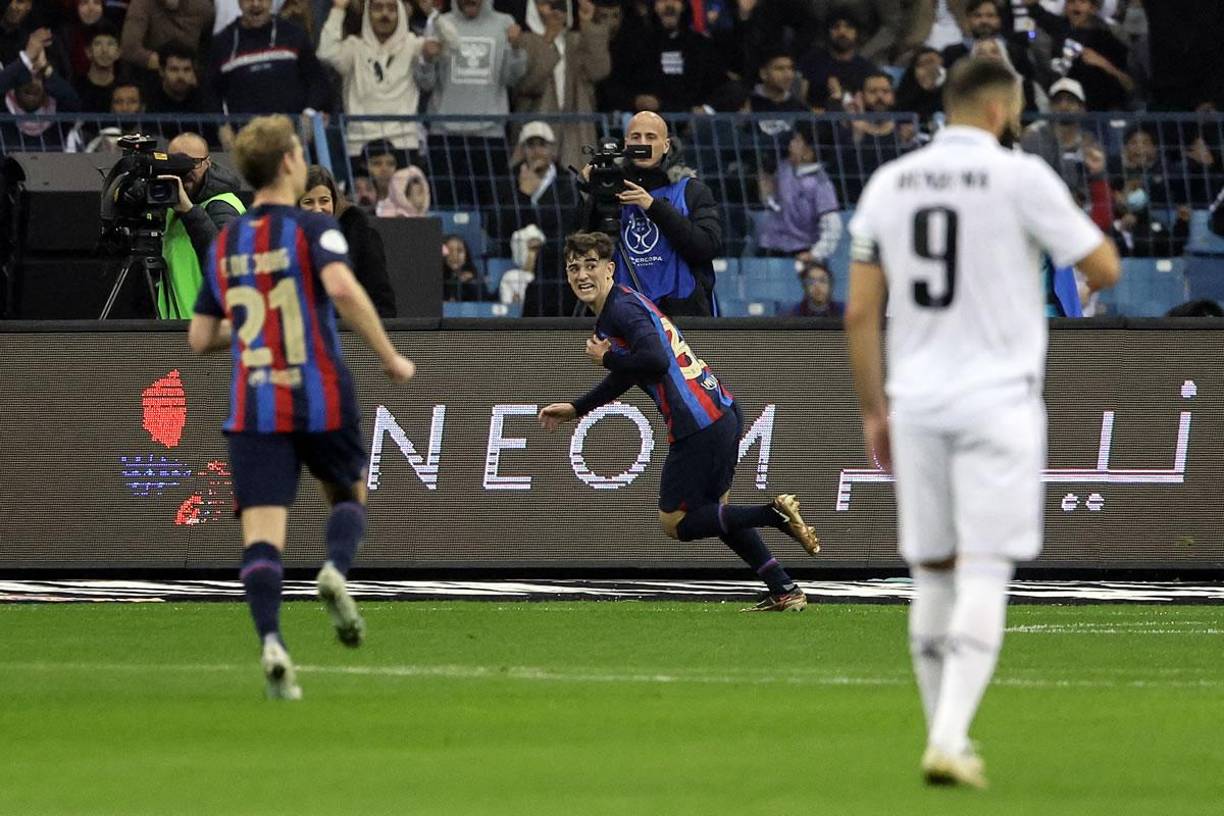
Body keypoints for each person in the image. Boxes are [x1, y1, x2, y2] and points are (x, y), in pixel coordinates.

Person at [844, 57, 1120, 788]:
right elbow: (1106, 266)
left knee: (931, 572)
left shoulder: (891, 184)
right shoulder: (1022, 177)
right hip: (998, 399)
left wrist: (876, 410)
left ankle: (943, 733)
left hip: (919, 400)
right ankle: (951, 733)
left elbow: (859, 312)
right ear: (1002, 112)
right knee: (986, 569)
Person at [187, 114, 416, 700]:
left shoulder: (227, 242)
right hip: (319, 392)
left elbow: (198, 339)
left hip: (254, 403)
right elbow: (341, 288)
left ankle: (272, 643)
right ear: (290, 162)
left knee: (262, 536)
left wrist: (248, 321)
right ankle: (336, 570)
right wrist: (390, 356)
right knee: (347, 494)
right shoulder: (315, 230)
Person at [539, 231, 820, 611]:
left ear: (610, 269)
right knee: (716, 515)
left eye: (591, 265)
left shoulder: (621, 311)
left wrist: (606, 358)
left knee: (676, 522)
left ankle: (773, 514)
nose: (582, 275)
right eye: (574, 268)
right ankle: (784, 588)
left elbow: (653, 360)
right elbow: (632, 373)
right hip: (720, 411)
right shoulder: (621, 306)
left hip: (696, 422)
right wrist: (578, 408)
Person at [579, 110, 722, 317]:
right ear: (626, 144)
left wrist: (653, 206)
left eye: (651, 137)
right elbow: (579, 248)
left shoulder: (691, 190)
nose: (642, 143)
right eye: (636, 137)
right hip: (624, 312)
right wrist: (588, 194)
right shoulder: (609, 189)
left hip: (682, 313)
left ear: (666, 145)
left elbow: (707, 246)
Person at [413, 0, 527, 207]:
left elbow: (513, 79)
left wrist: (517, 49)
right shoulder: (440, 23)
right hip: (444, 135)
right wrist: (426, 60)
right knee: (443, 208)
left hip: (489, 135)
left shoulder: (505, 23)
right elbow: (426, 84)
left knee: (492, 212)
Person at [318, 0, 426, 164]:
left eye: (391, 8)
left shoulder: (414, 45)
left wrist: (434, 15)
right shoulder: (354, 47)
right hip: (359, 143)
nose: (384, 14)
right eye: (377, 8)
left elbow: (450, 46)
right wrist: (338, 9)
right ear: (367, 13)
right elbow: (325, 53)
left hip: (404, 143)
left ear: (401, 13)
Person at [155, 131, 247, 318]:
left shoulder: (223, 204)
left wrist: (189, 211)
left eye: (193, 163)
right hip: (176, 330)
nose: (185, 171)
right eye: (176, 163)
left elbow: (225, 263)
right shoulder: (171, 204)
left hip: (213, 331)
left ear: (208, 162)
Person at [514, 0, 611, 172]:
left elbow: (599, 71)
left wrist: (588, 23)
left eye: (557, 4)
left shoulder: (576, 40)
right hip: (536, 128)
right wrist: (548, 40)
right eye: (545, 4)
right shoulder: (523, 40)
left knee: (577, 189)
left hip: (574, 131)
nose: (553, 10)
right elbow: (527, 84)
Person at [300, 164, 399, 318]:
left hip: (352, 335)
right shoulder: (284, 241)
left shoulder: (360, 235)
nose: (318, 209)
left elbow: (382, 303)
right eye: (308, 202)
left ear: (334, 202)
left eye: (324, 200)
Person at [206, 0, 332, 116]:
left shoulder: (293, 34)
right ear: (239, 2)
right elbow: (210, 92)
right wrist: (222, 126)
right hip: (245, 136)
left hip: (292, 135)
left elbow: (318, 81)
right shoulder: (222, 42)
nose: (255, 4)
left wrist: (309, 113)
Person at [756, 121, 842, 260]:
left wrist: (815, 254)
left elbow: (833, 226)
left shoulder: (821, 183)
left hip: (800, 251)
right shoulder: (783, 168)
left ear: (809, 152)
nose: (791, 144)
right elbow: (771, 203)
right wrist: (766, 188)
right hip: (769, 247)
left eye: (797, 141)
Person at [119, 0, 214, 78]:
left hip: (191, 75)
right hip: (152, 75)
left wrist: (195, 68)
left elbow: (213, 44)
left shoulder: (204, 8)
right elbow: (129, 48)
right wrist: (168, 67)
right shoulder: (141, 4)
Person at [72, 20, 123, 113]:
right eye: (98, 44)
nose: (104, 50)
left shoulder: (125, 89)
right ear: (88, 52)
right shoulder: (75, 88)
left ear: (118, 52)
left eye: (110, 44)